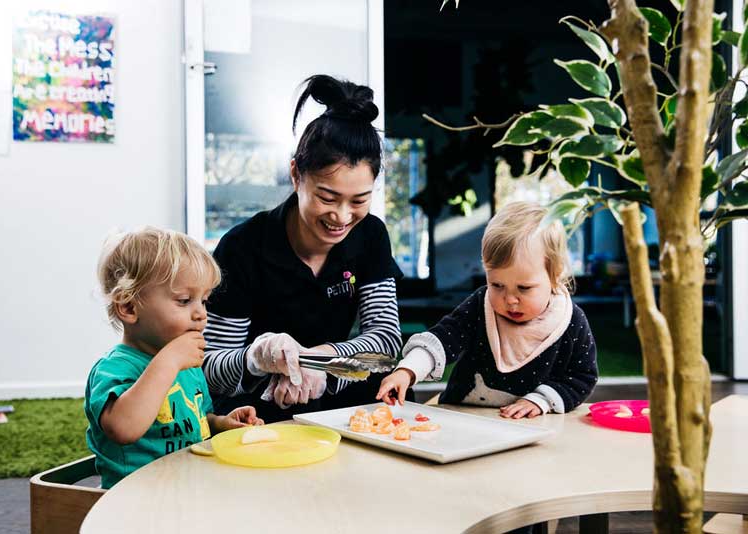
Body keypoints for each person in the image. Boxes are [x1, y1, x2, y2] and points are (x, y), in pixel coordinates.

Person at [202, 74, 404, 423]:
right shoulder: (243, 247)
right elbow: (209, 366)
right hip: (259, 406)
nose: (341, 216)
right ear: (296, 174)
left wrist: (323, 364)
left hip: (334, 394)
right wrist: (256, 358)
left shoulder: (370, 235)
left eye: (359, 200)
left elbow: (386, 340)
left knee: (391, 391)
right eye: (327, 197)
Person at [377, 201, 598, 418]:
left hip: (531, 428)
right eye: (497, 285)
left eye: (524, 288)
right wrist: (408, 370)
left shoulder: (570, 320)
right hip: (462, 419)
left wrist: (541, 400)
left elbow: (582, 377)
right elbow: (444, 338)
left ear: (555, 275)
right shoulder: (481, 305)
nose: (510, 299)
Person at [85, 228, 262, 489]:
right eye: (184, 300)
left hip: (189, 487)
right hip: (136, 501)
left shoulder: (186, 365)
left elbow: (194, 422)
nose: (201, 314)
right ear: (129, 307)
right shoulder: (114, 369)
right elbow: (124, 428)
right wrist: (168, 362)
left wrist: (220, 424)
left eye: (203, 301)